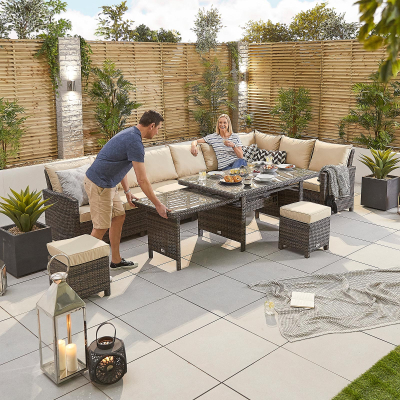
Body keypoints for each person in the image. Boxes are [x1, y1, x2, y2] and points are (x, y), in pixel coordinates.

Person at [84, 110, 169, 270]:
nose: (157, 132)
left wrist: (127, 191)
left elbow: (121, 164)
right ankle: (82, 271)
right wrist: (158, 205)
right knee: (100, 227)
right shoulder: (135, 142)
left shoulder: (131, 133)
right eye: (158, 128)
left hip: (109, 183)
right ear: (152, 126)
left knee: (119, 216)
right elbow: (142, 180)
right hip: (100, 184)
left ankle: (116, 260)